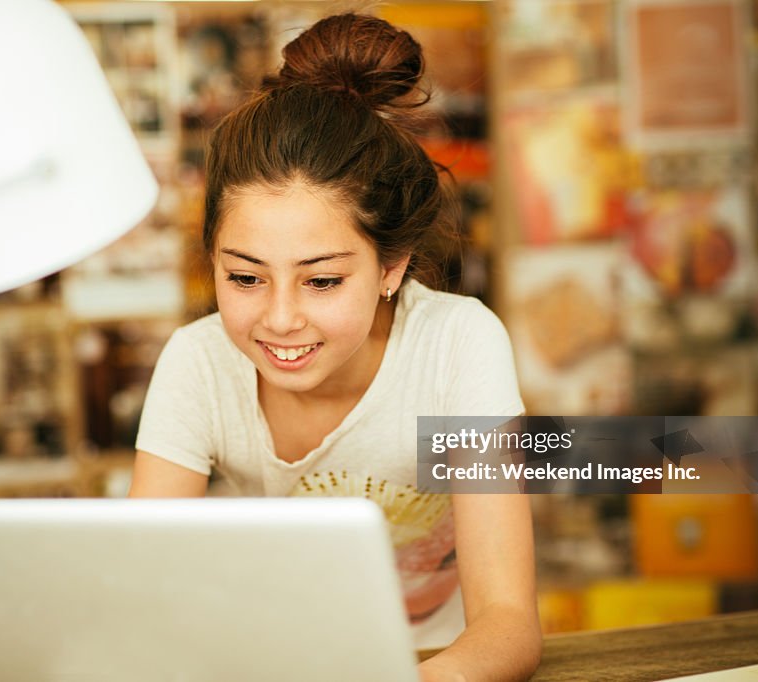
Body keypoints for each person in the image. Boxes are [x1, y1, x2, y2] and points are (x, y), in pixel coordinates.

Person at [129, 13, 541, 682]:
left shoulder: (457, 344)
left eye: (321, 280)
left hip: (431, 659)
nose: (281, 319)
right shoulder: (197, 363)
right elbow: (139, 590)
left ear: (391, 268)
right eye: (244, 277)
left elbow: (508, 622)